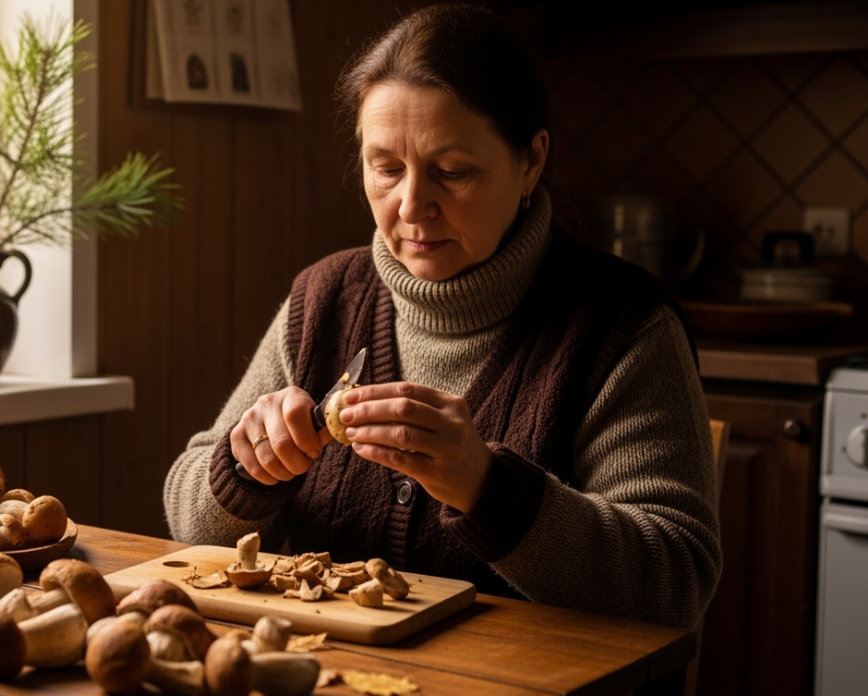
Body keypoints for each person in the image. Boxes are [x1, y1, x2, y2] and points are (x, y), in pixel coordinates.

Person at [163, 4, 722, 630]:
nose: (411, 206)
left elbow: (678, 580)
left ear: (531, 161)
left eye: (452, 172)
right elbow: (188, 513)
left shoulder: (622, 326)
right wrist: (247, 470)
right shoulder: (322, 298)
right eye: (386, 168)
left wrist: (488, 490)